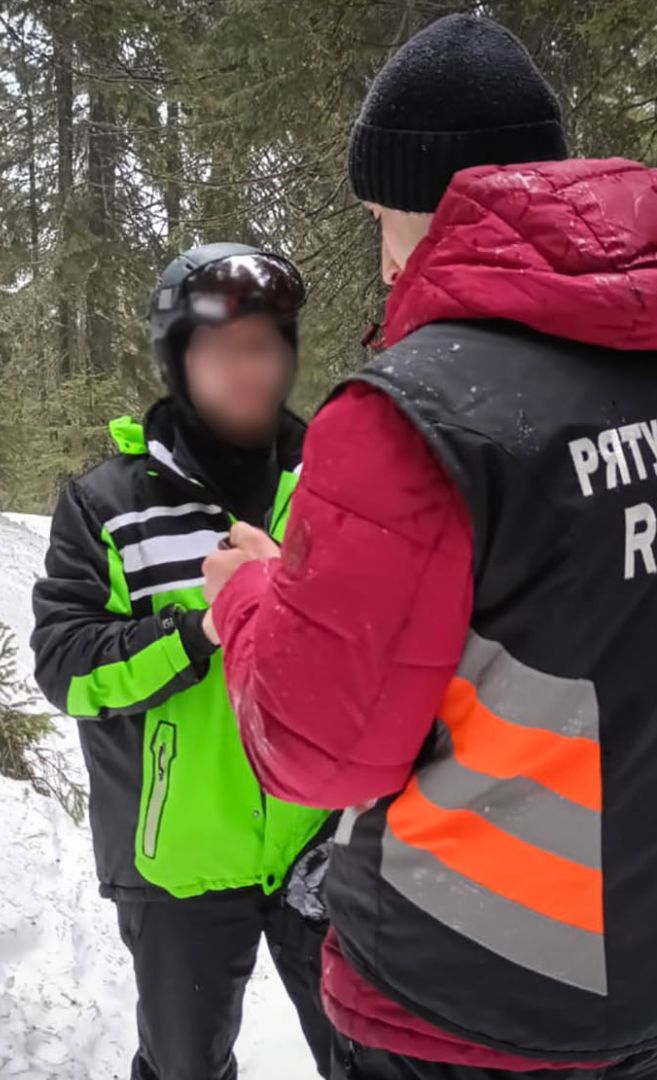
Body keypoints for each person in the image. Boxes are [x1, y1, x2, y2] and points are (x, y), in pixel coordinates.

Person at [197, 15, 657, 1079]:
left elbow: (319, 750)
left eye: (383, 220)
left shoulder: (415, 414)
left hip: (471, 995)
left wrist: (248, 594)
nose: (385, 263)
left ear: (422, 212)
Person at [29, 243, 335, 1080]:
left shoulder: (328, 487)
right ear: (176, 359)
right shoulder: (108, 505)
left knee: (376, 1059)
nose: (248, 369)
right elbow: (67, 668)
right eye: (219, 349)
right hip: (179, 869)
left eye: (265, 344)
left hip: (322, 846)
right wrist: (203, 625)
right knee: (184, 1070)